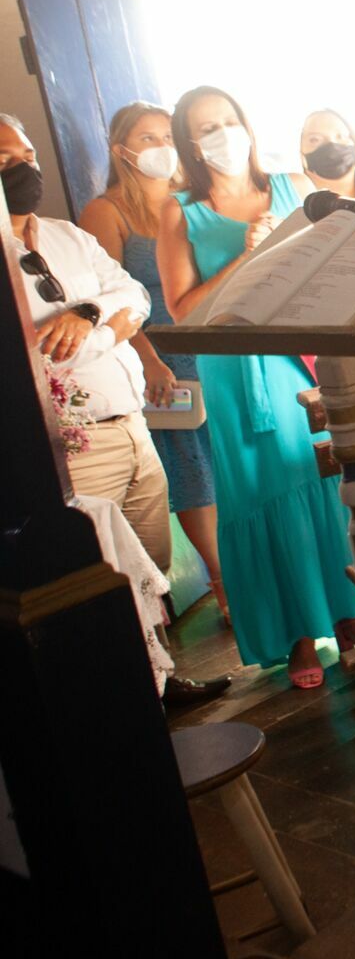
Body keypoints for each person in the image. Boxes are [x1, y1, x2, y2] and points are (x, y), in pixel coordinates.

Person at [2, 112, 236, 710]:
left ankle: (162, 678)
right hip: (72, 440)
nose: (22, 169)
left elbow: (132, 293)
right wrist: (110, 328)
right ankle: (124, 705)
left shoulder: (64, 236)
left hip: (131, 422)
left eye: (27, 156)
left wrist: (86, 317)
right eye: (4, 161)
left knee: (149, 564)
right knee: (100, 578)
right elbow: (36, 352)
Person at [154, 86, 355, 687]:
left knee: (318, 475)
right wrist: (245, 258)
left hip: (298, 355)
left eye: (229, 120)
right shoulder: (180, 211)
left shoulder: (293, 186)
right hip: (230, 368)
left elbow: (333, 268)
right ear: (190, 143)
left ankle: (349, 612)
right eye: (207, 128)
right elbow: (182, 309)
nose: (223, 134)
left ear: (247, 125)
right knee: (258, 488)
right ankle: (295, 634)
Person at [78, 101, 223, 621]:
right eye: (148, 138)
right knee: (191, 468)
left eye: (167, 136)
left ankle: (249, 571)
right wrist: (151, 361)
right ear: (122, 150)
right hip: (157, 358)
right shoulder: (107, 211)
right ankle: (222, 580)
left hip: (211, 348)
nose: (162, 146)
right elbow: (112, 298)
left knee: (226, 461)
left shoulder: (190, 200)